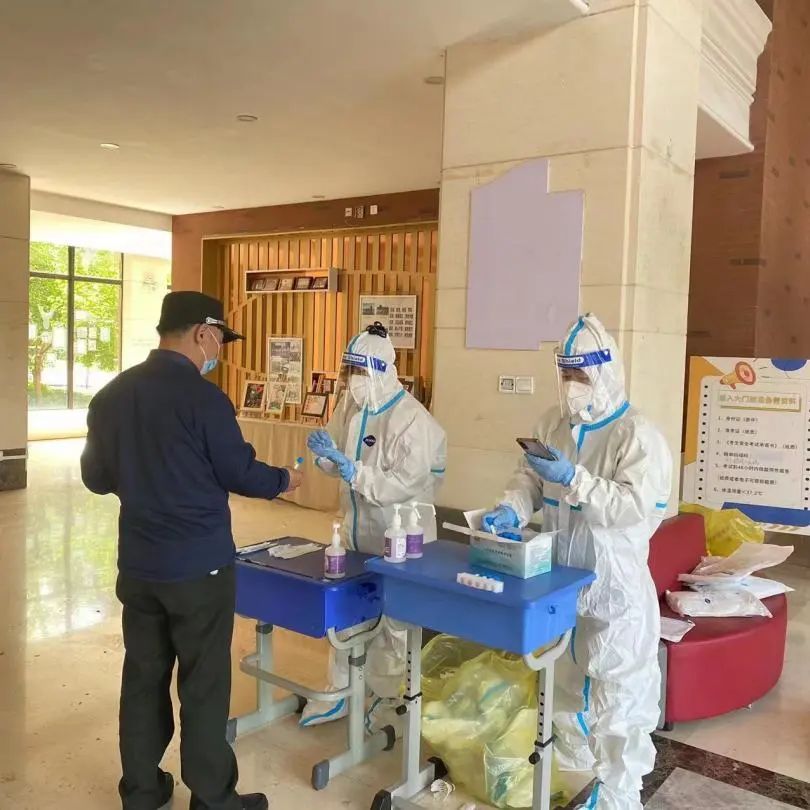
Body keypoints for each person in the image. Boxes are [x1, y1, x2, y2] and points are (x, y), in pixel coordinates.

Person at [81, 291, 303, 810]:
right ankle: (212, 798)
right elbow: (239, 472)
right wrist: (283, 479)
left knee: (143, 676)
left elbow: (96, 478)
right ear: (203, 333)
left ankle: (142, 791)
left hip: (140, 566)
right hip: (199, 569)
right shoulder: (205, 400)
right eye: (220, 339)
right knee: (203, 683)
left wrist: (144, 477)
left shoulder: (112, 395)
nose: (219, 350)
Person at [483, 313, 671, 810]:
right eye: (565, 373)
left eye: (580, 374)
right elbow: (528, 479)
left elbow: (634, 509)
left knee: (617, 698)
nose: (571, 384)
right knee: (565, 687)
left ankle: (618, 796)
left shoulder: (637, 435)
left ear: (605, 372)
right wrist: (512, 507)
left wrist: (575, 479)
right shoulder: (553, 423)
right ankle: (578, 782)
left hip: (614, 588)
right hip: (560, 581)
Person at [301, 322, 447, 727]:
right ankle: (341, 690)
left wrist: (354, 472)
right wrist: (326, 456)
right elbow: (335, 454)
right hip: (355, 528)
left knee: (395, 620)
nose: (354, 380)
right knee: (348, 607)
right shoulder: (353, 407)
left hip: (401, 535)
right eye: (350, 371)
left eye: (361, 371)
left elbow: (399, 486)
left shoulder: (413, 421)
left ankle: (388, 696)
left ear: (384, 371)